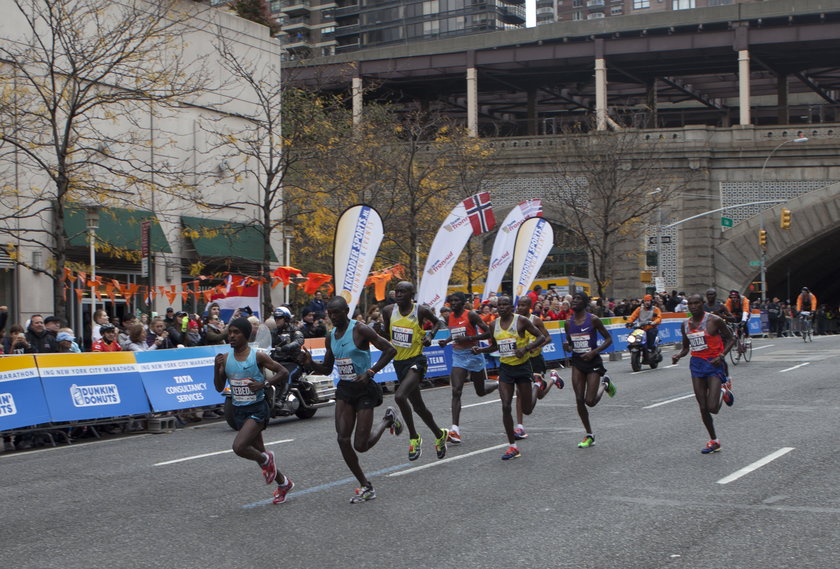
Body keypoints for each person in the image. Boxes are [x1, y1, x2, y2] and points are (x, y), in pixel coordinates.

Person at [300, 296, 399, 503]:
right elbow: (327, 369)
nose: (332, 317)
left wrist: (371, 372)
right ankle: (365, 485)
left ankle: (387, 420)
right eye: (329, 313)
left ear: (346, 311)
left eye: (336, 312)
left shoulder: (361, 329)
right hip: (345, 389)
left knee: (361, 445)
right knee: (342, 439)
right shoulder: (331, 336)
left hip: (364, 389)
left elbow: (390, 350)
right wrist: (310, 363)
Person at [214, 318, 293, 504]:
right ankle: (284, 483)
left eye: (236, 332)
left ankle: (268, 459)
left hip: (258, 409)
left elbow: (283, 372)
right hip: (239, 410)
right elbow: (218, 387)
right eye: (230, 332)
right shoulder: (224, 358)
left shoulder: (258, 356)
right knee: (258, 453)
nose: (231, 336)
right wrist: (216, 368)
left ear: (246, 335)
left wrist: (263, 384)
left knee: (239, 447)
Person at [381, 281, 449, 461]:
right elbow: (388, 335)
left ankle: (413, 437)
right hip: (399, 363)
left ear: (412, 294)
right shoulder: (388, 311)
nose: (399, 294)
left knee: (399, 396)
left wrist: (430, 335)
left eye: (403, 291)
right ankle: (439, 434)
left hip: (416, 361)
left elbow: (438, 323)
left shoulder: (420, 311)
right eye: (397, 291)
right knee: (419, 407)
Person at [471, 295, 545, 460]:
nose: (502, 307)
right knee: (505, 406)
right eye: (500, 305)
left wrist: (526, 348)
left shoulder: (521, 321)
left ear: (512, 307)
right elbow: (495, 346)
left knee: (527, 409)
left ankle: (536, 386)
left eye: (506, 304)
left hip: (523, 368)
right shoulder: (493, 324)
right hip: (505, 369)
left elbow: (540, 337)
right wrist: (480, 350)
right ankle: (512, 447)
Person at [672, 294, 736, 454]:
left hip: (713, 364)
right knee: (703, 407)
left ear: (703, 304)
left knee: (713, 407)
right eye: (691, 304)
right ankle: (714, 440)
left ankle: (724, 389)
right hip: (697, 365)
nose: (693, 306)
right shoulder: (685, 324)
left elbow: (731, 338)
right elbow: (686, 347)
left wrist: (721, 355)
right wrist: (679, 355)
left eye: (697, 303)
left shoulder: (714, 320)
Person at [437, 292, 497, 444]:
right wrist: (446, 341)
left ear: (463, 303)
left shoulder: (471, 315)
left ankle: (497, 384)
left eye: (458, 300)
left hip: (473, 353)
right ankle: (455, 429)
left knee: (480, 392)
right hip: (458, 355)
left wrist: (470, 338)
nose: (454, 303)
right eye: (452, 301)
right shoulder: (448, 317)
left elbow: (489, 332)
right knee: (456, 390)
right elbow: (455, 333)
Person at [563, 292, 615, 449]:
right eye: (573, 299)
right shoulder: (567, 322)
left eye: (578, 299)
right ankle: (589, 434)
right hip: (578, 362)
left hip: (593, 361)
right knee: (579, 399)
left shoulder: (593, 319)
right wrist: (568, 347)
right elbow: (570, 343)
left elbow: (609, 339)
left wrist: (594, 352)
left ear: (585, 303)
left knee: (590, 401)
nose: (574, 301)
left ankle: (605, 384)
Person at [513, 295, 560, 440]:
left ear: (529, 307)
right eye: (519, 305)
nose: (520, 308)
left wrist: (536, 347)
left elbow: (548, 337)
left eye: (523, 305)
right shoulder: (515, 321)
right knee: (520, 392)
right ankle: (519, 427)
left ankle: (551, 379)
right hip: (522, 361)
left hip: (535, 360)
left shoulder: (536, 320)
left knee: (538, 394)